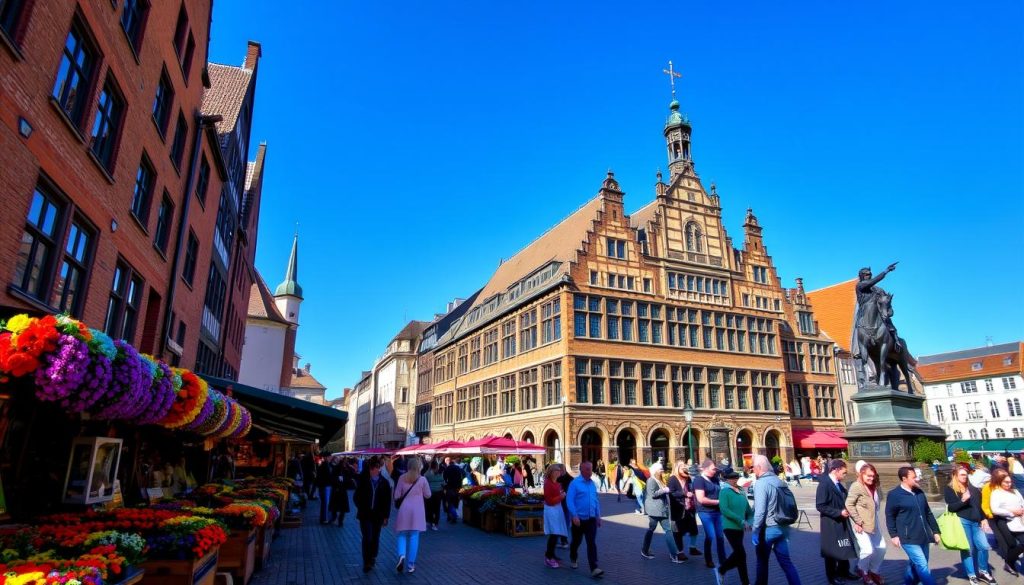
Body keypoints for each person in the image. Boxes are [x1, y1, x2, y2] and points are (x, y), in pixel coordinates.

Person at [884, 465, 941, 585]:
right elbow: (889, 516)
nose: (917, 479)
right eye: (914, 477)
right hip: (908, 537)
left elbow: (928, 512)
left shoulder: (919, 492)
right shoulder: (894, 495)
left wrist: (935, 531)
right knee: (922, 564)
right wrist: (894, 535)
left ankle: (908, 582)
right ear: (904, 479)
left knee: (916, 563)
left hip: (923, 535)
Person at [751, 454, 801, 585]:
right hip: (783, 526)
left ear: (759, 467)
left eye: (753, 467)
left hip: (769, 529)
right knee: (786, 562)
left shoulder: (761, 483)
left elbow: (760, 512)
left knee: (762, 561)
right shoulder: (779, 481)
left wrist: (755, 531)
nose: (753, 470)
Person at [944, 465, 994, 584]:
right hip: (963, 521)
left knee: (983, 546)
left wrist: (983, 518)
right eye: (962, 475)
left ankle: (983, 571)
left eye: (966, 475)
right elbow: (951, 508)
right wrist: (963, 500)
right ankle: (972, 575)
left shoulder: (972, 487)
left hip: (976, 522)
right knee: (968, 549)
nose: (965, 477)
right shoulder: (950, 489)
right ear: (955, 476)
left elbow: (979, 504)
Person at [816, 459, 858, 585]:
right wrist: (838, 512)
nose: (845, 475)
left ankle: (844, 571)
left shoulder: (838, 484)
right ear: (835, 470)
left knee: (844, 546)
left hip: (842, 521)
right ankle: (832, 576)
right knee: (832, 551)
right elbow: (820, 505)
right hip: (831, 523)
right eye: (844, 473)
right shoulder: (824, 484)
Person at [845, 462, 886, 584]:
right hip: (861, 524)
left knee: (881, 548)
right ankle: (862, 570)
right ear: (861, 474)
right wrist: (857, 520)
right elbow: (849, 504)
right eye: (868, 475)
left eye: (873, 476)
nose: (871, 478)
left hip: (873, 521)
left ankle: (873, 571)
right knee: (867, 550)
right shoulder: (856, 486)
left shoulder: (873, 486)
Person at [566, 461, 604, 578]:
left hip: (591, 519)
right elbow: (569, 500)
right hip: (579, 520)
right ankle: (573, 557)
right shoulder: (575, 483)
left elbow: (595, 501)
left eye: (591, 469)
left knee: (591, 543)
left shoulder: (592, 484)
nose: (590, 471)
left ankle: (594, 568)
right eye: (587, 469)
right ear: (582, 470)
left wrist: (598, 516)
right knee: (576, 542)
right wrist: (574, 515)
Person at [641, 462, 685, 563]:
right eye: (660, 470)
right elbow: (652, 494)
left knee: (656, 529)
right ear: (655, 471)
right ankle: (673, 555)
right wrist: (664, 490)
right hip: (655, 510)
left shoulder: (659, 480)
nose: (662, 471)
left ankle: (645, 549)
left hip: (662, 509)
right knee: (664, 530)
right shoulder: (651, 480)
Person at [353, 457, 391, 573]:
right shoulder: (364, 480)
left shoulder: (384, 483)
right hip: (365, 515)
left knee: (375, 538)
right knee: (367, 537)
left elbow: (387, 501)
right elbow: (356, 497)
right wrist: (362, 507)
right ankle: (366, 562)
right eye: (372, 469)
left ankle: (373, 556)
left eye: (376, 469)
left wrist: (386, 516)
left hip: (378, 516)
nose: (374, 471)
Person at [717, 470, 752, 585]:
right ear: (727, 479)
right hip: (730, 527)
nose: (735, 479)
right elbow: (724, 509)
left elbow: (747, 509)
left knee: (740, 555)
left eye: (736, 477)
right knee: (741, 553)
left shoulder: (741, 490)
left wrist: (750, 521)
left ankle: (724, 570)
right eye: (732, 478)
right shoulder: (724, 491)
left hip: (740, 528)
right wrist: (741, 520)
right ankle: (722, 570)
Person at [989, 468, 1024, 577]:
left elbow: (1022, 502)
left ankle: (1009, 562)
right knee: (1015, 545)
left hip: (1021, 520)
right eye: (1006, 482)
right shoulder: (996, 493)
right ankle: (1009, 561)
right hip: (1008, 522)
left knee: (1019, 545)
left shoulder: (1015, 491)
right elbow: (995, 509)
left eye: (1010, 482)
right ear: (999, 481)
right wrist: (1012, 512)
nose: (1009, 484)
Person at [694, 459, 726, 569]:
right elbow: (701, 499)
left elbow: (720, 492)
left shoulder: (715, 479)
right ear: (706, 469)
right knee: (710, 535)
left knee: (720, 536)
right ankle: (708, 559)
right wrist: (719, 502)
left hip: (717, 512)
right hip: (705, 512)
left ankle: (723, 559)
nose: (715, 471)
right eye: (713, 469)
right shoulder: (699, 480)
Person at [668, 461, 701, 556]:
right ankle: (680, 552)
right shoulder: (673, 479)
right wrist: (684, 494)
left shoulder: (688, 478)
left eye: (685, 466)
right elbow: (671, 493)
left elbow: (692, 489)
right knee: (678, 532)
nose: (684, 468)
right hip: (678, 509)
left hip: (690, 508)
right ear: (677, 468)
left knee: (694, 530)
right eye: (682, 467)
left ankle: (692, 548)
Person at [543, 463, 569, 568]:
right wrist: (561, 496)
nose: (559, 472)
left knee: (556, 532)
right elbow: (549, 501)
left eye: (559, 470)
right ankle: (548, 557)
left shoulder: (557, 482)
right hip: (551, 509)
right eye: (557, 470)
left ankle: (552, 554)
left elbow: (556, 495)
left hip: (557, 509)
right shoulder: (548, 483)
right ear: (552, 472)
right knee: (554, 533)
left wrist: (560, 493)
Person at [328, 457, 352, 527]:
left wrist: (344, 479)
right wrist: (338, 479)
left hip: (341, 491)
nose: (345, 463)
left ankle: (340, 520)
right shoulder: (336, 469)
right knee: (335, 507)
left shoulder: (346, 469)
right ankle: (335, 518)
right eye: (344, 462)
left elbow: (349, 479)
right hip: (337, 490)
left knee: (342, 508)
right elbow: (332, 479)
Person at [441, 456, 464, 523]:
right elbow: (463, 475)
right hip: (457, 488)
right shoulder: (458, 468)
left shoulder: (447, 468)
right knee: (454, 502)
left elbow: (444, 479)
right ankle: (452, 515)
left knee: (449, 502)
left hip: (449, 487)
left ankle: (451, 515)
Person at [424, 459, 444, 531]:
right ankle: (434, 524)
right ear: (436, 466)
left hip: (430, 493)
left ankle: (429, 522)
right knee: (436, 509)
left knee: (430, 508)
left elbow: (424, 478)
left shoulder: (428, 474)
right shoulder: (440, 474)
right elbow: (443, 483)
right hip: (437, 493)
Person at [315, 453, 333, 524]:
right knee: (325, 503)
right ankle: (324, 519)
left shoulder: (322, 465)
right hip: (325, 486)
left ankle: (323, 518)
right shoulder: (326, 465)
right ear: (327, 457)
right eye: (330, 457)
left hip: (322, 486)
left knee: (323, 503)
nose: (331, 458)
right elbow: (328, 476)